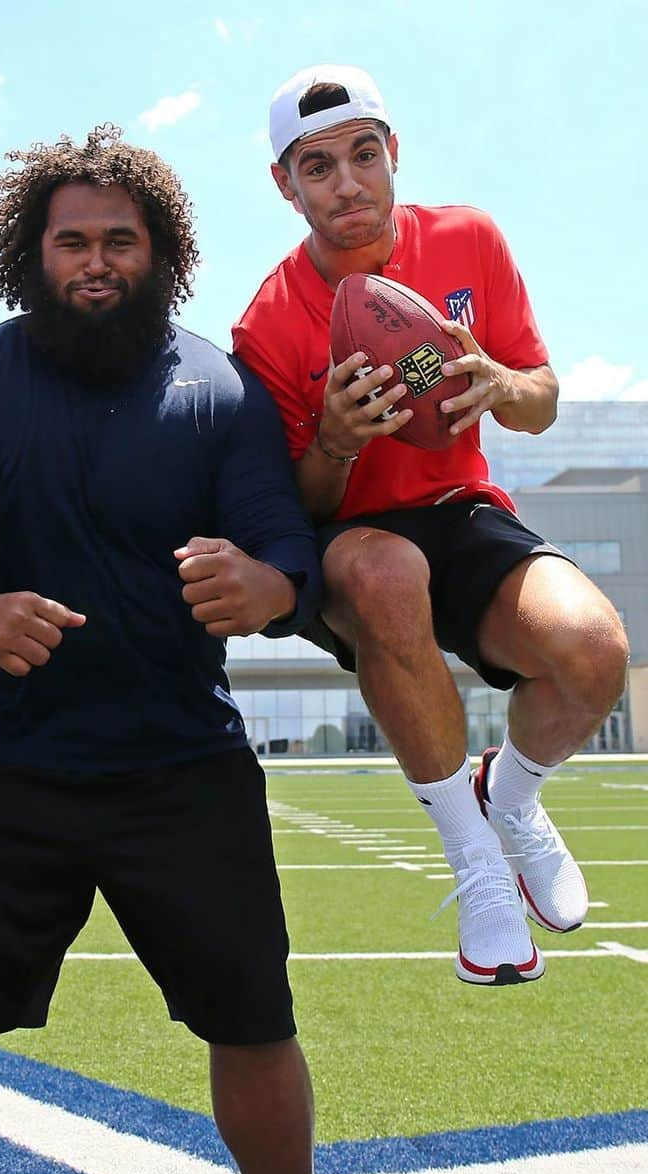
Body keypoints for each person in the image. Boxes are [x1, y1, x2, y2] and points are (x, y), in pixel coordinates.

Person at [0, 127, 321, 1174]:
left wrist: (268, 586)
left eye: (121, 240)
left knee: (255, 1021)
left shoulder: (220, 386)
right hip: (4, 757)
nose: (97, 261)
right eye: (72, 242)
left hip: (183, 761)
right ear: (34, 254)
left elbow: (284, 536)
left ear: (161, 251)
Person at [232, 65, 629, 986]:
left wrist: (501, 380)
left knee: (594, 653)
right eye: (318, 167)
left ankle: (512, 797)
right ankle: (477, 862)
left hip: (463, 513)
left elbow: (542, 401)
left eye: (363, 156)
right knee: (383, 576)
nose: (348, 185)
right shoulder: (268, 325)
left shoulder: (470, 239)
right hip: (357, 538)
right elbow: (294, 512)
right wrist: (332, 442)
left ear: (393, 153)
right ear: (285, 187)